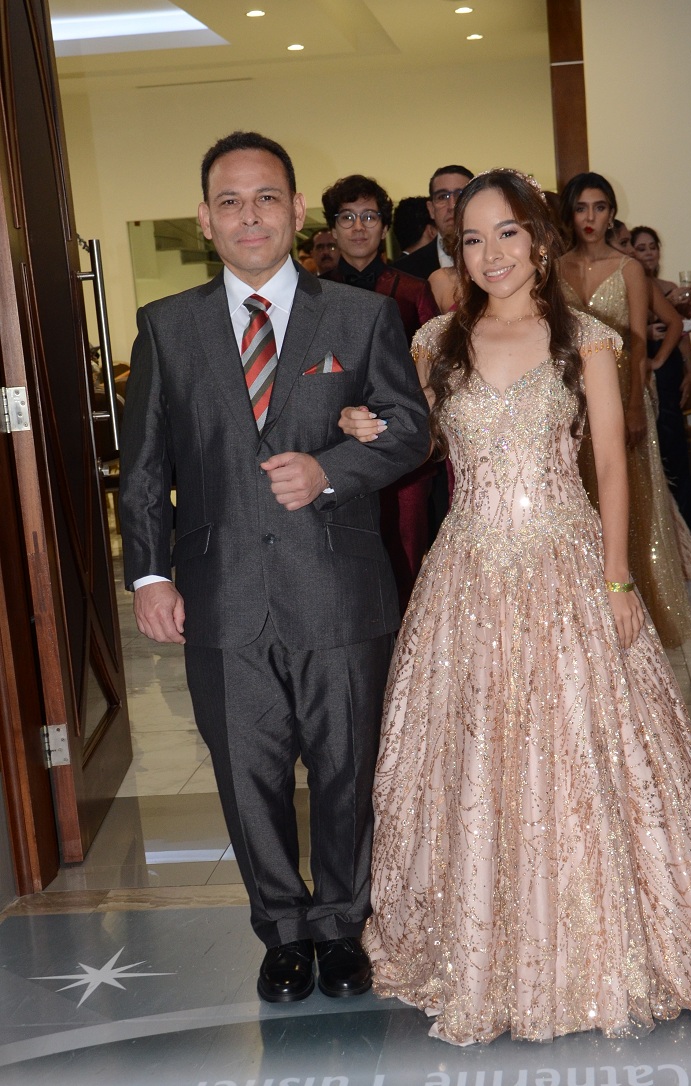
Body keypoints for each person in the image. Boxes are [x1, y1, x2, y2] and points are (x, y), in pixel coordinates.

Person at [340, 168, 691, 1045]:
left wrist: (617, 580)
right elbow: (422, 443)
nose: (490, 253)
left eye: (508, 234)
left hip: (566, 565)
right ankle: (484, 931)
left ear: (540, 238)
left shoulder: (588, 343)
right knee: (477, 752)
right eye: (473, 238)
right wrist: (368, 428)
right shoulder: (436, 343)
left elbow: (611, 469)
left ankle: (601, 929)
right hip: (469, 576)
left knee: (585, 748)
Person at [118, 131, 430, 1005]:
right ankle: (282, 933)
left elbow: (411, 432)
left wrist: (333, 470)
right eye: (229, 201)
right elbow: (144, 468)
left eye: (265, 199)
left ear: (297, 213)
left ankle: (341, 924)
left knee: (345, 768)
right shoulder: (168, 328)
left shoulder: (359, 317)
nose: (248, 215)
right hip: (220, 597)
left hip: (338, 588)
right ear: (205, 222)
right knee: (246, 775)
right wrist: (149, 576)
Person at [558, 173, 691, 646]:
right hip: (570, 398)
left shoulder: (628, 267)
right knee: (578, 498)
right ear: (570, 212)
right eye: (582, 207)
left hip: (625, 391)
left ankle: (637, 611)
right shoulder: (553, 267)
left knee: (633, 499)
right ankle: (584, 613)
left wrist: (639, 389)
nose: (591, 218)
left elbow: (642, 335)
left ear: (611, 213)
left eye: (600, 207)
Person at [320, 173, 440, 611]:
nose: (358, 226)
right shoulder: (313, 294)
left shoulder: (412, 290)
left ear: (384, 227)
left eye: (369, 216)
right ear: (332, 228)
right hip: (332, 446)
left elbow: (437, 370)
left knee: (406, 559)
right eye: (347, 217)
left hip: (402, 452)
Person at [629, 224, 691, 540]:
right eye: (640, 247)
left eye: (653, 246)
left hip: (667, 367)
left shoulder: (666, 286)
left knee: (675, 440)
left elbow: (680, 330)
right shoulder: (629, 284)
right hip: (642, 363)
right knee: (656, 444)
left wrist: (690, 367)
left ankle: (689, 522)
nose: (648, 252)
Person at [393, 164, 474, 279]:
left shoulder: (497, 259)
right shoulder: (403, 272)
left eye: (460, 195)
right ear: (431, 209)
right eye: (442, 197)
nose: (451, 205)